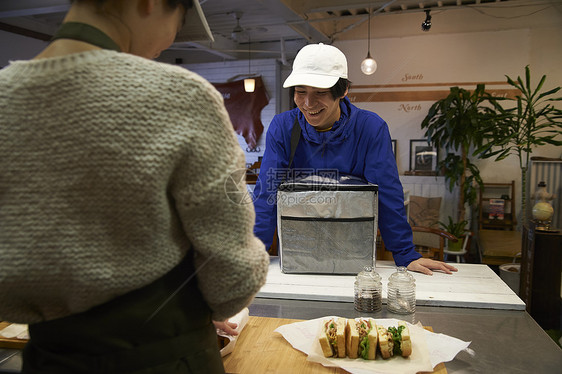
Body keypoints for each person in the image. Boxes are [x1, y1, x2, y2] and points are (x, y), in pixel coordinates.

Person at [0, 0, 269, 373]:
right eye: (179, 19)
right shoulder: (180, 96)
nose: (172, 37)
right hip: (168, 359)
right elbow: (232, 278)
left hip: (50, 359)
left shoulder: (5, 97)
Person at [253, 43, 456, 276]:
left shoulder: (370, 128)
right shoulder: (283, 127)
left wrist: (405, 253)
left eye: (320, 92)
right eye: (301, 92)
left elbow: (386, 192)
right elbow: (267, 192)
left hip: (353, 246)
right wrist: (254, 252)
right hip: (296, 246)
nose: (308, 104)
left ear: (343, 90)